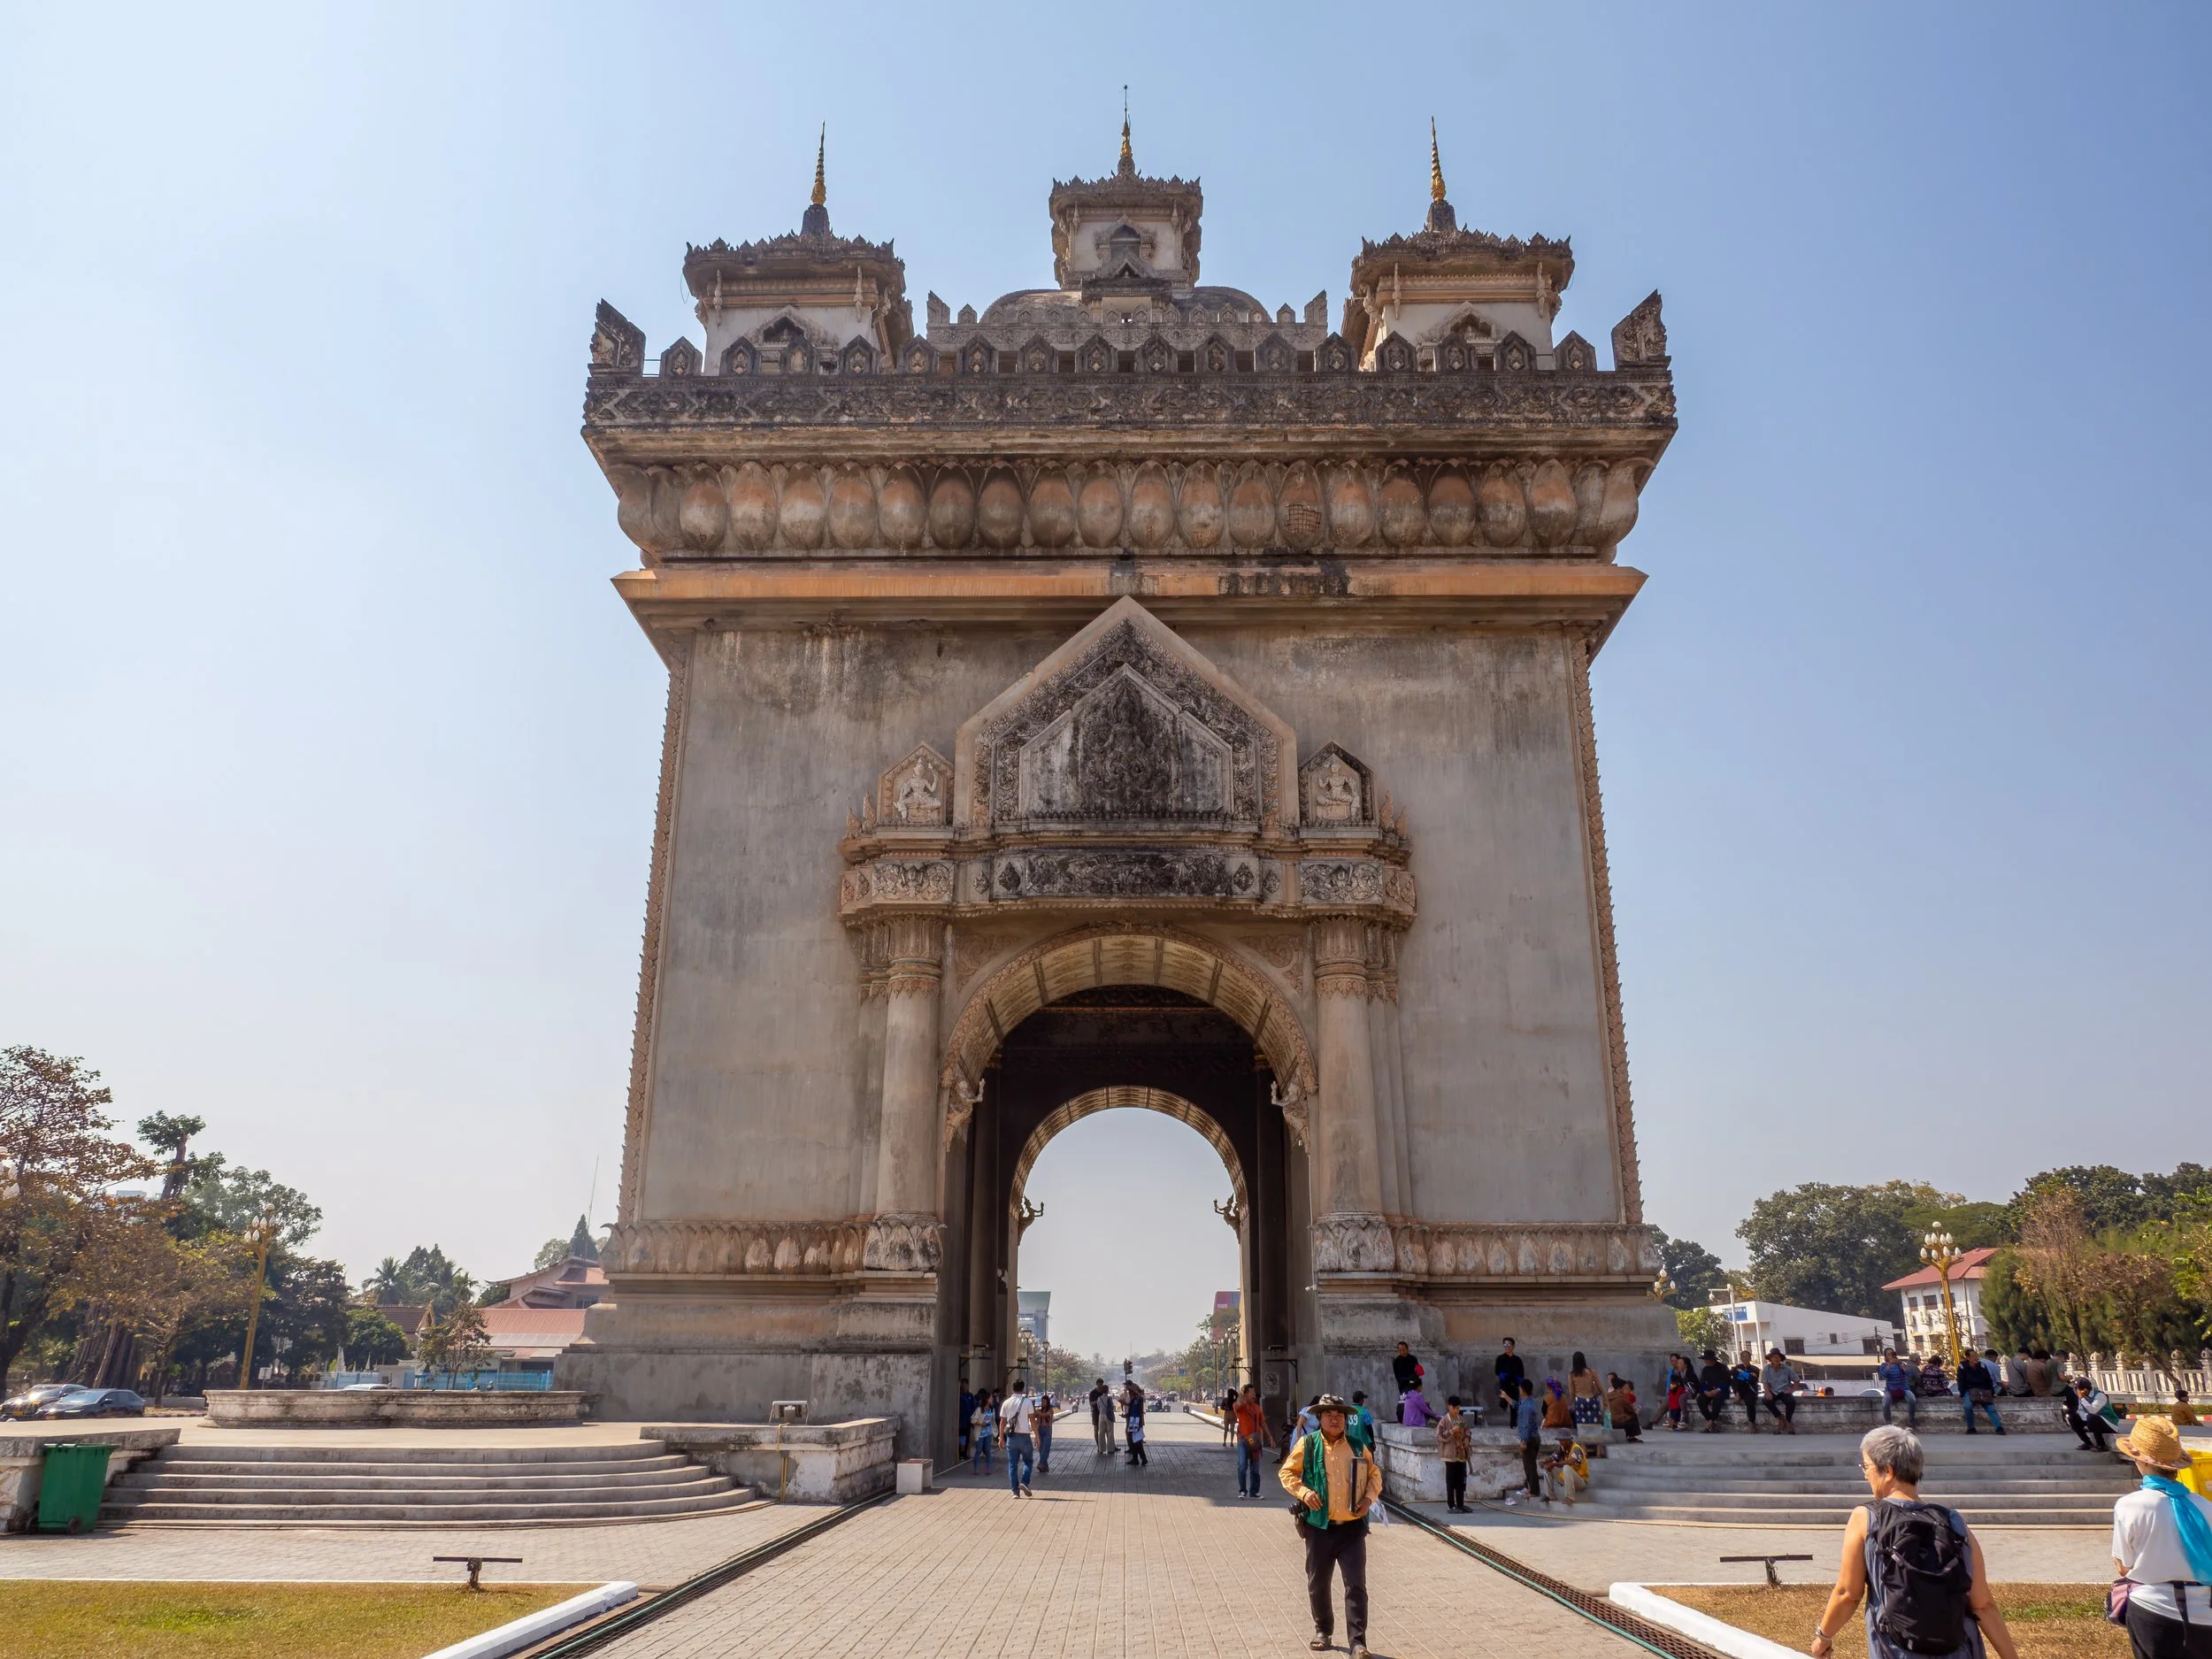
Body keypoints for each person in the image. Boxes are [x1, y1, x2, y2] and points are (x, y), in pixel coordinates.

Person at [1810, 1425, 2022, 1659]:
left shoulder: (1866, 1518)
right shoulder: (1954, 1522)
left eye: (1866, 1466)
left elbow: (1848, 1593)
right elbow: (1983, 1605)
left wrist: (1823, 1637)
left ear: (1888, 1471)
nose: (1865, 1474)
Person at [1279, 1394, 1383, 1659]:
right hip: (1319, 1527)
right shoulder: (1308, 1444)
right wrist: (1303, 1492)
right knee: (1318, 1583)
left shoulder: (1358, 1446)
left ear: (1345, 1419)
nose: (1334, 1418)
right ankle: (1323, 1630)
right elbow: (1286, 1473)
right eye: (1328, 1414)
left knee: (1356, 1586)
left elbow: (1374, 1476)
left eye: (1339, 1414)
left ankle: (1358, 1642)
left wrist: (1368, 1499)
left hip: (1351, 1529)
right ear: (1320, 1418)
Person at [2109, 1411, 2212, 1659]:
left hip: (2151, 1609)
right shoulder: (2204, 1505)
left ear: (2140, 1461)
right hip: (2205, 1613)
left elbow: (2123, 1566)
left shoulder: (2130, 1505)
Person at [1233, 1382, 1275, 1500]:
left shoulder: (1257, 1408)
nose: (1254, 1395)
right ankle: (1242, 1491)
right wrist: (1241, 1398)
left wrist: (1270, 1437)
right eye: (1251, 1393)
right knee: (1242, 1465)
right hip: (1243, 1441)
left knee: (1255, 1468)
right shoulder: (1240, 1407)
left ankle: (1254, 1492)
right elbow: (1236, 1406)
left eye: (1254, 1393)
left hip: (1255, 1442)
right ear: (1245, 1394)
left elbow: (1262, 1422)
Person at [1000, 1380, 1036, 1497]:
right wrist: (1037, 1436)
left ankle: (1015, 1492)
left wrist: (1001, 1438)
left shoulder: (1006, 1403)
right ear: (1023, 1389)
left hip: (1011, 1437)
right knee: (1028, 1461)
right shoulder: (1027, 1402)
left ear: (1012, 1388)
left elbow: (1002, 1422)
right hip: (1025, 1436)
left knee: (1012, 1465)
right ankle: (1024, 1482)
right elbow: (1032, 1420)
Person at [1509, 1377, 1542, 1505]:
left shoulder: (1528, 1406)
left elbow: (1526, 1425)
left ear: (1522, 1390)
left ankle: (1534, 1490)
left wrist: (1524, 1440)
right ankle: (1531, 1488)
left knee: (1530, 1466)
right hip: (1532, 1437)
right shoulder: (1528, 1402)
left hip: (1530, 1439)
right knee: (1528, 1465)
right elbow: (1517, 1405)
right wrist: (1506, 1397)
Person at [1957, 1351, 2007, 1436]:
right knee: (1967, 1407)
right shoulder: (1962, 1367)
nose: (1976, 1358)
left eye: (1976, 1356)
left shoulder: (1982, 1366)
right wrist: (1962, 1393)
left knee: (1991, 1408)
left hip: (1983, 1390)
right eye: (1973, 1356)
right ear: (1968, 1357)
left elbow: (1988, 1379)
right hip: (1970, 1390)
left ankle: (1999, 1427)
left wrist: (1991, 1391)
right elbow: (1961, 1380)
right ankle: (1971, 1427)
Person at [1438, 1395, 1473, 1513]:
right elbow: (1440, 1436)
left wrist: (1467, 1438)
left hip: (1461, 1454)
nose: (1457, 1411)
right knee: (1451, 1480)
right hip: (1450, 1455)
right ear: (1449, 1407)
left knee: (1461, 1480)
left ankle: (1460, 1504)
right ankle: (1451, 1504)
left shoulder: (1461, 1419)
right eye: (1455, 1408)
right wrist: (1452, 1432)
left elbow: (1467, 1430)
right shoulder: (1444, 1421)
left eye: (1458, 1408)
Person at [2071, 1378, 2123, 1453]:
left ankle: (2101, 1445)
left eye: (2077, 1389)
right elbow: (2080, 1411)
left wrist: (2082, 1398)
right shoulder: (2082, 1398)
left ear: (2084, 1390)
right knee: (2072, 1418)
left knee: (2091, 1417)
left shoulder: (2099, 1396)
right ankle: (2088, 1443)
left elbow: (2093, 1411)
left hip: (2109, 1424)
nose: (2075, 1391)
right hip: (2093, 1421)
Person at [1542, 1431, 1590, 1505]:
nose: (1560, 1442)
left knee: (1566, 1467)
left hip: (1581, 1481)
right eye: (1559, 1440)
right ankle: (1550, 1495)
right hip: (1568, 1479)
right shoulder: (1563, 1448)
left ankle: (1570, 1497)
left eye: (1562, 1440)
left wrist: (1555, 1464)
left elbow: (1572, 1461)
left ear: (1568, 1440)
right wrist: (1544, 1462)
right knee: (1548, 1467)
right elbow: (1553, 1457)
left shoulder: (1576, 1448)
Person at [1763, 1348, 1802, 1435]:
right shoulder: (1766, 1369)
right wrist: (1768, 1392)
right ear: (1770, 1359)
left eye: (1778, 1357)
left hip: (1784, 1391)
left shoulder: (1787, 1368)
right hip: (1773, 1390)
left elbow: (1796, 1380)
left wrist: (1792, 1389)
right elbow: (1765, 1382)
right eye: (1774, 1357)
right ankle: (1780, 1417)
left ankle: (1788, 1422)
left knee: (1791, 1401)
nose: (1776, 1359)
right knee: (1766, 1400)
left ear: (1781, 1358)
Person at [1878, 1349, 1919, 1428]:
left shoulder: (1900, 1364)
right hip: (1890, 1390)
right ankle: (1888, 1423)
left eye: (1892, 1354)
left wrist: (1905, 1369)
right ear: (1886, 1356)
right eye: (1889, 1354)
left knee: (1912, 1399)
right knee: (1885, 1402)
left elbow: (1908, 1374)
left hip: (1903, 1388)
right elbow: (1882, 1376)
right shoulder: (1884, 1365)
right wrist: (1888, 1367)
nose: (1891, 1356)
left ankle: (1911, 1421)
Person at [1696, 1349, 1732, 1432]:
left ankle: (1711, 1422)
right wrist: (1705, 1391)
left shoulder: (1722, 1368)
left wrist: (1718, 1389)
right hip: (1709, 1391)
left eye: (1707, 1359)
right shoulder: (1705, 1369)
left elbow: (1727, 1381)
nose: (1705, 1361)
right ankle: (1711, 1421)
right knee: (1700, 1400)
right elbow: (1702, 1383)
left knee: (1717, 1400)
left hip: (1721, 1391)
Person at [1569, 1352, 1604, 1433]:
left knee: (1582, 1426)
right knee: (1595, 1424)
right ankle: (1597, 1444)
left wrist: (1572, 1403)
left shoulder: (1572, 1375)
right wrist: (1606, 1404)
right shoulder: (1591, 1372)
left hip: (1580, 1401)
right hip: (1592, 1400)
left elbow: (1572, 1392)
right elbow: (1601, 1389)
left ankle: (1584, 1445)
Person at [1494, 1338, 1526, 1418]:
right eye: (1505, 1344)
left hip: (1514, 1384)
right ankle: (1503, 1406)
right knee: (1503, 1402)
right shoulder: (1500, 1358)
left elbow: (1521, 1372)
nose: (1507, 1346)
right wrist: (1505, 1377)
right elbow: (1497, 1371)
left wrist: (1518, 1382)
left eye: (1509, 1345)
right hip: (1504, 1384)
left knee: (1514, 1404)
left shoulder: (1517, 1360)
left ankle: (1513, 1424)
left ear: (1513, 1346)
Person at [1732, 1349, 1763, 1433]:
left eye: (1746, 1356)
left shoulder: (1755, 1368)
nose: (1744, 1358)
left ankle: (1752, 1422)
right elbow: (1735, 1380)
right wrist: (1737, 1393)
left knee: (1749, 1402)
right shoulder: (1737, 1368)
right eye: (1742, 1356)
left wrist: (1744, 1376)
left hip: (1750, 1390)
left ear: (1750, 1358)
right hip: (1739, 1390)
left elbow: (1753, 1380)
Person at [1391, 1343, 1423, 1423]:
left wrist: (1415, 1383)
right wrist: (1402, 1383)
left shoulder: (1413, 1359)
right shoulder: (1396, 1361)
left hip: (1413, 1383)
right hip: (1403, 1384)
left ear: (1407, 1349)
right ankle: (1404, 1417)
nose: (1402, 1352)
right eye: (1400, 1350)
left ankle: (1415, 1417)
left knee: (1414, 1400)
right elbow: (1397, 1375)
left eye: (1404, 1350)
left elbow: (1417, 1372)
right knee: (1404, 1401)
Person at [1606, 1373, 1642, 1442]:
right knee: (1633, 1416)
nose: (1627, 1390)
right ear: (1619, 1389)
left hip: (1608, 1422)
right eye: (1625, 1388)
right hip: (1619, 1422)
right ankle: (1631, 1436)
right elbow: (1630, 1410)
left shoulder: (1608, 1395)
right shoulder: (1621, 1397)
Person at [971, 1389, 995, 1473]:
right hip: (980, 1434)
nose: (992, 1399)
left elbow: (992, 1421)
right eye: (991, 1398)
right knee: (978, 1451)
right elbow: (973, 1420)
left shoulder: (991, 1410)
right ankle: (976, 1469)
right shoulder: (979, 1409)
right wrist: (981, 1424)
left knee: (988, 1451)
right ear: (987, 1399)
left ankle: (988, 1469)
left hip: (988, 1433)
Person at [1125, 1382, 1148, 1466]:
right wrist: (1125, 1415)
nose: (1129, 1395)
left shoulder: (1138, 1399)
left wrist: (1135, 1390)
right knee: (1135, 1441)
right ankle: (1140, 1458)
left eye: (1130, 1393)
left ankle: (1138, 1459)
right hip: (1133, 1421)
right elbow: (1131, 1412)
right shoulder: (1133, 1401)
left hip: (1136, 1422)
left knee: (1136, 1441)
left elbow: (1141, 1395)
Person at [1034, 1390, 1056, 1475]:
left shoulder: (1050, 1410)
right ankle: (1045, 1466)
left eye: (1044, 1401)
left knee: (1046, 1448)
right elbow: (1035, 1418)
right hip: (1040, 1429)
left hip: (1047, 1430)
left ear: (1047, 1402)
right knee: (1041, 1449)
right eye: (1042, 1401)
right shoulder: (1040, 1410)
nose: (1043, 1403)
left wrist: (1038, 1413)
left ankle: (1041, 1463)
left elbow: (1045, 1415)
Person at [1091, 1377, 1116, 1455]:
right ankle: (1110, 1448)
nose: (1101, 1386)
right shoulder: (1093, 1393)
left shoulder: (1099, 1398)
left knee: (1101, 1433)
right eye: (1100, 1385)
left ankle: (1101, 1449)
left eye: (1102, 1385)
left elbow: (1098, 1406)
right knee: (1109, 1432)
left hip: (1101, 1415)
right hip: (1103, 1415)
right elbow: (1112, 1407)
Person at [1663, 1356, 1689, 1431]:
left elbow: (1669, 1395)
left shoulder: (1671, 1390)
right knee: (1675, 1417)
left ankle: (1670, 1426)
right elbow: (1684, 1392)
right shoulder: (1680, 1389)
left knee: (1672, 1417)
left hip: (1671, 1406)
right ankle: (1672, 1426)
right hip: (1677, 1406)